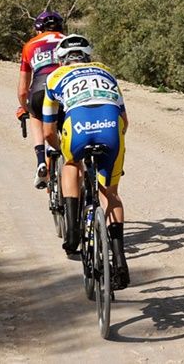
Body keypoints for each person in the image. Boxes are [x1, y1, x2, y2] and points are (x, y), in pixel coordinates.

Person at [42, 34, 130, 289]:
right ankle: (121, 263)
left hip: (78, 128)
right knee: (110, 194)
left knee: (71, 164)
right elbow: (125, 121)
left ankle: (71, 234)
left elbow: (48, 132)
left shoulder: (54, 77)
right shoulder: (107, 72)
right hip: (111, 128)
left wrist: (66, 151)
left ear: (62, 60)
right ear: (88, 56)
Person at [16, 10, 66, 189]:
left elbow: (23, 90)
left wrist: (24, 108)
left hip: (38, 92)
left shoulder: (29, 46)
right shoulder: (69, 42)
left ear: (38, 30)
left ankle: (40, 161)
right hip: (65, 92)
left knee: (35, 114)